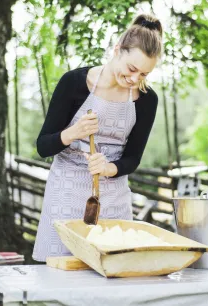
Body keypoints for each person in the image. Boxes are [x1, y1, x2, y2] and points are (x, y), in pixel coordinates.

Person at [32, 14, 162, 262]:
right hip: (66, 193)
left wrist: (109, 168)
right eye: (132, 69)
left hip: (113, 198)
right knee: (63, 272)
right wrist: (73, 133)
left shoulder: (147, 100)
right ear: (117, 50)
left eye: (144, 75)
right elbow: (43, 146)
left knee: (114, 272)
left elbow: (133, 158)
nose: (135, 79)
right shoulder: (74, 83)